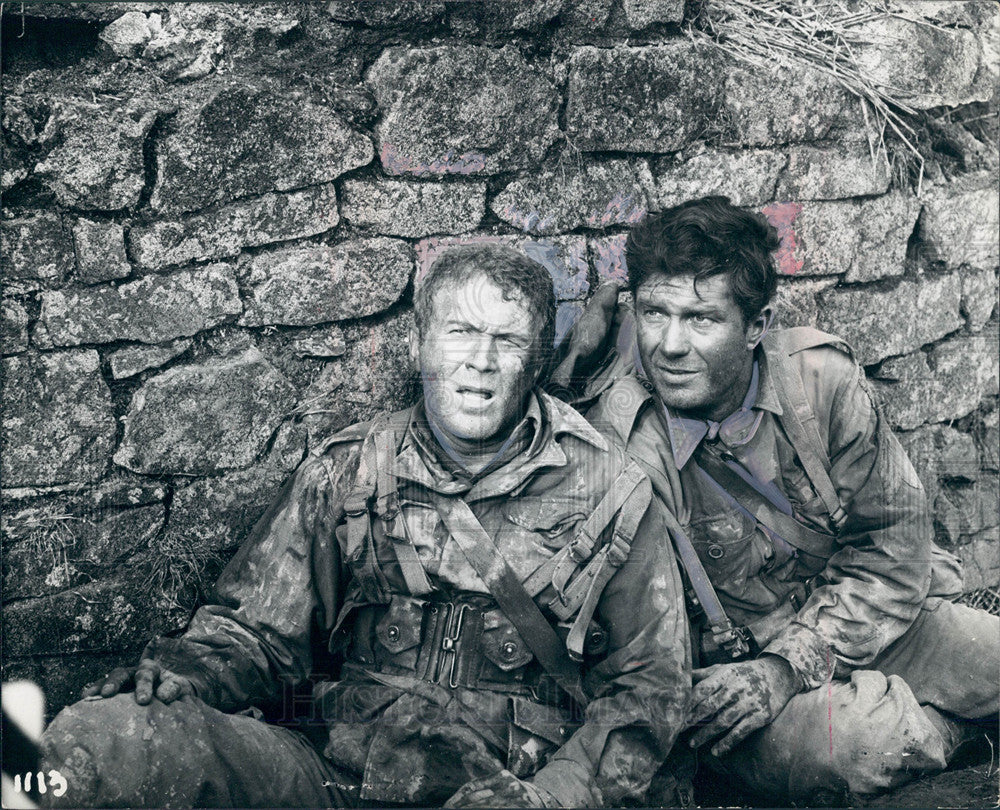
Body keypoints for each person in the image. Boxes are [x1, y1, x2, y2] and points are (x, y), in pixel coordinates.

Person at [39, 244, 691, 809]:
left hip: (512, 788)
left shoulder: (613, 488)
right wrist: (191, 673)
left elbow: (651, 689)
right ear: (419, 345)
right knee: (107, 741)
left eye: (508, 340)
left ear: (538, 356)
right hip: (336, 778)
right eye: (460, 332)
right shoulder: (346, 469)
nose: (481, 361)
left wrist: (555, 796)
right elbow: (255, 634)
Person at [572, 196, 999, 804]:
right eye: (654, 312)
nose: (668, 344)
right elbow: (639, 648)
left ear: (756, 325)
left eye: (701, 319)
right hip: (735, 683)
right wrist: (759, 676)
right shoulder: (622, 434)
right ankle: (942, 729)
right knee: (859, 748)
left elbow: (892, 551)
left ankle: (916, 710)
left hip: (854, 618)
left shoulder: (820, 382)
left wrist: (790, 665)